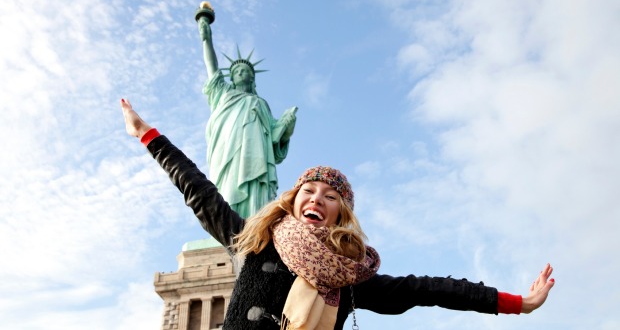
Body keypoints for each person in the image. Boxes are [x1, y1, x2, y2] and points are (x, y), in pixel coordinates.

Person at [120, 98, 555, 330]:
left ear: (339, 214)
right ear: (293, 201)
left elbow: (431, 289)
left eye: (330, 195)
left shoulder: (351, 278)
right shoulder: (257, 241)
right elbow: (198, 190)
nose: (316, 198)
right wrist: (147, 135)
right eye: (308, 190)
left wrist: (518, 303)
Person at [197, 2, 297, 219]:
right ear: (231, 77)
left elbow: (274, 140)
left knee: (255, 192)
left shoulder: (261, 104)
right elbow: (212, 66)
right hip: (227, 153)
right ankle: (227, 225)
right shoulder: (222, 94)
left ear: (252, 77)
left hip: (256, 156)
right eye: (237, 70)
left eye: (246, 70)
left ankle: (254, 225)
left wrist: (286, 127)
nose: (242, 73)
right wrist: (206, 38)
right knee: (225, 190)